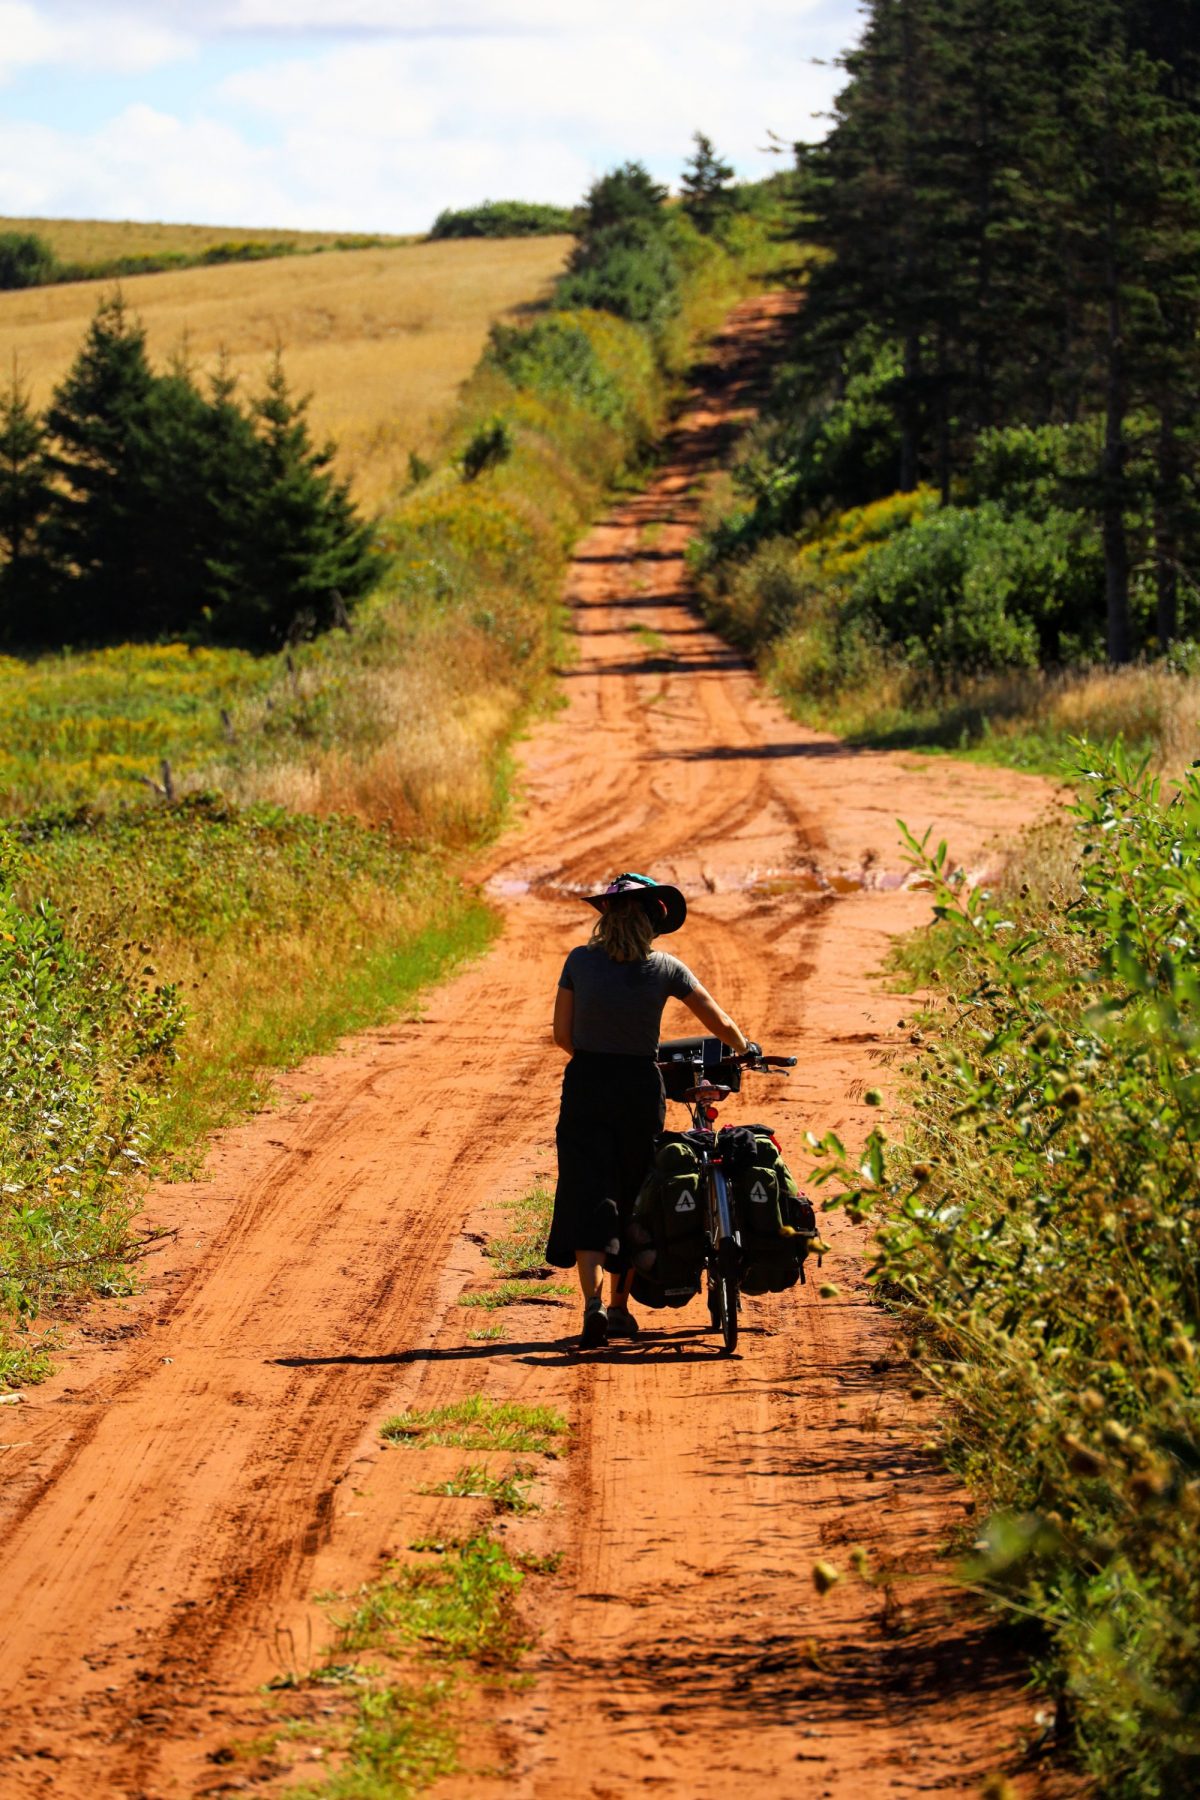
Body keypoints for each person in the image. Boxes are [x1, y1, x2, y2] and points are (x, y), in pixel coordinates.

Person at [547, 871, 749, 1347]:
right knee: (634, 1190)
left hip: (587, 1083)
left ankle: (591, 1305)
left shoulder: (579, 961)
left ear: (607, 918)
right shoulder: (666, 967)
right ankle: (618, 1309)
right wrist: (745, 1047)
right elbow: (719, 1022)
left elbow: (561, 1036)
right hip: (639, 1086)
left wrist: (597, 1059)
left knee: (587, 1191)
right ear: (652, 924)